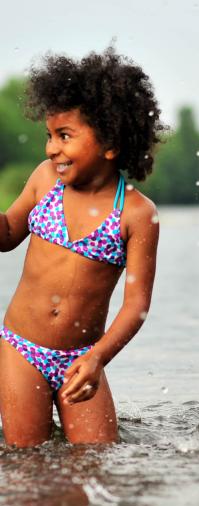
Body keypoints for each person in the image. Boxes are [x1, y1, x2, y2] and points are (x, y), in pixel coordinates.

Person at [0, 48, 165, 447]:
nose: (50, 149)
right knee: (28, 465)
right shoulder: (44, 180)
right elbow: (6, 235)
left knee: (96, 463)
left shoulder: (138, 214)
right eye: (49, 135)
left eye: (64, 136)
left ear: (110, 142)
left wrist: (97, 358)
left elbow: (136, 305)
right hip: (22, 350)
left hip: (83, 357)